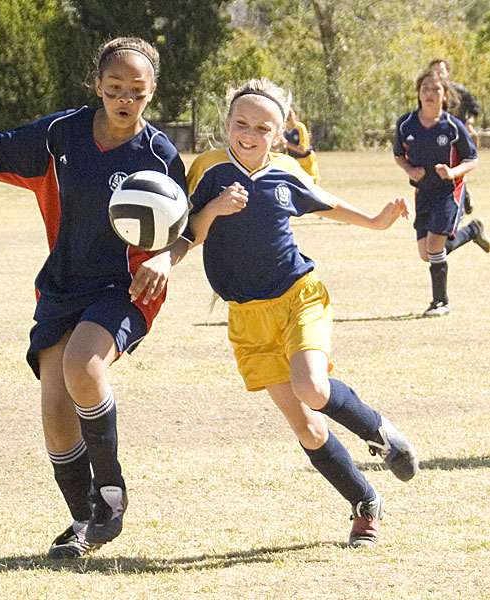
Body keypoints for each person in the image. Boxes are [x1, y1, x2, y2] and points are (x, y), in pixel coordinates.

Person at [0, 37, 190, 558]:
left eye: (136, 91)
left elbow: (185, 225)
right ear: (98, 85)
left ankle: (110, 494)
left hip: (127, 286)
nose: (124, 99)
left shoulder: (159, 155)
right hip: (64, 284)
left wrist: (165, 257)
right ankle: (84, 521)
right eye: (114, 88)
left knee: (82, 365)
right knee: (55, 410)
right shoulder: (62, 132)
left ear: (152, 91)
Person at [186, 78, 419, 548]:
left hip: (299, 297)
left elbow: (325, 202)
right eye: (241, 123)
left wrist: (376, 221)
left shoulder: (286, 170)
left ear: (278, 134)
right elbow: (190, 232)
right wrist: (214, 208)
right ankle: (365, 502)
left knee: (311, 387)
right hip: (247, 318)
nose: (249, 134)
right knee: (310, 430)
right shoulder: (207, 170)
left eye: (262, 127)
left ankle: (379, 431)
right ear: (227, 124)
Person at [393, 68, 489, 318]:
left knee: (435, 246)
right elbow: (399, 155)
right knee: (427, 254)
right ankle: (472, 231)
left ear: (445, 95)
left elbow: (472, 159)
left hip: (449, 192)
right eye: (424, 88)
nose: (429, 93)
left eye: (435, 89)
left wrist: (453, 172)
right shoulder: (405, 124)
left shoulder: (453, 126)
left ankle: (440, 302)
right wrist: (409, 170)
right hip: (423, 193)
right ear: (418, 93)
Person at [429, 57, 480, 214]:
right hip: (437, 137)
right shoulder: (428, 93)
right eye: (434, 72)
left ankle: (462, 195)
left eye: (441, 71)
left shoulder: (459, 91)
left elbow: (474, 108)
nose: (438, 75)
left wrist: (469, 123)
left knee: (456, 166)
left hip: (457, 137)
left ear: (448, 73)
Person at [283, 105, 320, 182]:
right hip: (294, 163)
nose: (288, 117)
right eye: (286, 114)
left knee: (310, 185)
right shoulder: (283, 130)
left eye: (290, 114)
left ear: (295, 115)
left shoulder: (300, 128)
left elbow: (303, 150)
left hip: (306, 163)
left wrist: (286, 143)